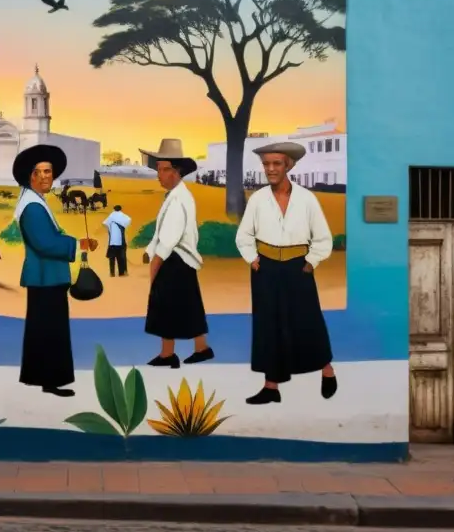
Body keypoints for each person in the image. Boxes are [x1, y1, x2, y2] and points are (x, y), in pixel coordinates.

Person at [235, 141, 337, 405]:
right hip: (265, 268)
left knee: (308, 319)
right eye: (266, 164)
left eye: (276, 163)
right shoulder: (257, 199)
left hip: (298, 267)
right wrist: (252, 259)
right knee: (268, 325)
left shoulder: (306, 199)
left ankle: (327, 370)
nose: (270, 169)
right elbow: (244, 236)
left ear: (288, 165)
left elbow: (324, 238)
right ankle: (271, 386)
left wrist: (311, 261)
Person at [12, 143, 97, 397]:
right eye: (41, 172)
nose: (47, 177)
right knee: (50, 330)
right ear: (31, 176)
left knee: (44, 330)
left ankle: (43, 378)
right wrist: (77, 244)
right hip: (45, 277)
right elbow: (45, 243)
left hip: (46, 277)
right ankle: (50, 380)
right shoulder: (33, 207)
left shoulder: (35, 202)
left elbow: (49, 238)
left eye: (49, 172)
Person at [139, 139, 214, 368]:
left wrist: (155, 262)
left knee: (166, 305)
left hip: (175, 260)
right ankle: (198, 349)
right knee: (187, 305)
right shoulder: (175, 196)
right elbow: (161, 231)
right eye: (158, 169)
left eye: (164, 169)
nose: (159, 175)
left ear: (177, 171)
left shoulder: (179, 198)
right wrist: (149, 250)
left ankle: (169, 354)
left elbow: (169, 238)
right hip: (179, 259)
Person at [102, 204, 131, 277]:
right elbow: (129, 220)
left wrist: (109, 229)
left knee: (112, 258)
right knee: (121, 257)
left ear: (114, 209)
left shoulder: (111, 216)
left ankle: (112, 273)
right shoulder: (124, 216)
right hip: (121, 241)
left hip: (112, 241)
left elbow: (104, 223)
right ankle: (122, 272)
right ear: (120, 209)